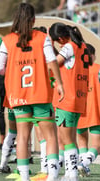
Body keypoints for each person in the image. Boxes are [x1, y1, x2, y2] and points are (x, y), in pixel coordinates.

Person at [0, 3, 64, 181]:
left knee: (23, 137)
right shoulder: (42, 37)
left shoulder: (7, 40)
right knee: (50, 136)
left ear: (16, 19)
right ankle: (53, 176)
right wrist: (60, 83)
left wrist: (12, 71)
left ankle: (24, 176)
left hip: (18, 94)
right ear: (33, 19)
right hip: (40, 93)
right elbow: (51, 60)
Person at [49, 22, 89, 181]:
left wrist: (48, 47)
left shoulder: (68, 47)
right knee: (71, 138)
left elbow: (53, 64)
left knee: (66, 140)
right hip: (79, 98)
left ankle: (72, 175)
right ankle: (69, 173)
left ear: (59, 38)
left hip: (67, 98)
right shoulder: (82, 45)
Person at [76, 43, 98, 177]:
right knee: (97, 145)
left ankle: (83, 165)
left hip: (79, 110)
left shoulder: (76, 70)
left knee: (82, 141)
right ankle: (83, 163)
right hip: (95, 110)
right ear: (92, 55)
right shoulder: (97, 69)